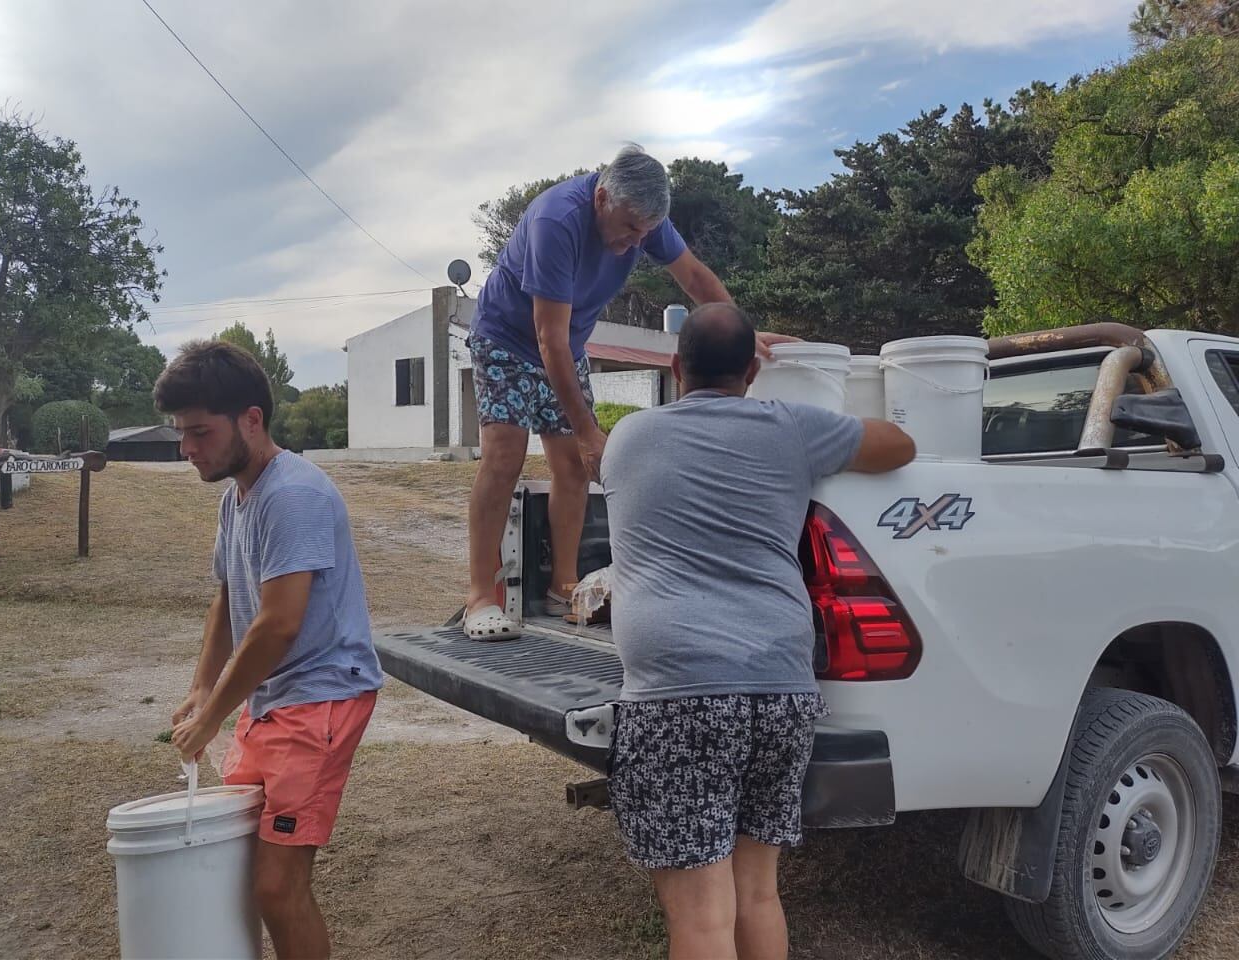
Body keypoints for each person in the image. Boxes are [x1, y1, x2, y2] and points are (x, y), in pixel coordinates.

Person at [599, 304, 915, 960]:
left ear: (675, 367)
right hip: (781, 691)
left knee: (702, 917)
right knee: (758, 893)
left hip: (675, 697)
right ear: (751, 371)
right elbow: (899, 444)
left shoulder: (630, 438)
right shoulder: (792, 429)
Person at [462, 143, 795, 639]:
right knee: (505, 458)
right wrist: (587, 431)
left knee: (574, 467)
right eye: (629, 230)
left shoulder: (643, 221)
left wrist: (743, 336)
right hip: (509, 338)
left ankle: (563, 588)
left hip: (564, 343)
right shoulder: (557, 222)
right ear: (601, 199)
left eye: (645, 233)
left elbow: (694, 277)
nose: (634, 243)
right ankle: (479, 598)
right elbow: (547, 338)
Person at [154, 341, 384, 960]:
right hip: (272, 702)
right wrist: (202, 689)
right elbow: (229, 599)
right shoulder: (239, 497)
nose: (187, 449)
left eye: (199, 432)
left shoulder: (294, 494)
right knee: (241, 866)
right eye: (182, 434)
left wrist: (213, 715)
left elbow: (279, 624)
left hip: (321, 699)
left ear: (251, 419)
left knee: (278, 888)